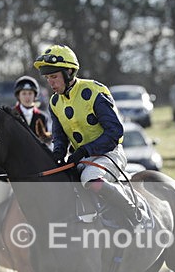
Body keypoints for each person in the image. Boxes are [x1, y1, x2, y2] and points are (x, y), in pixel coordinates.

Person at [33, 44, 141, 227]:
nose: (50, 83)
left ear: (69, 73)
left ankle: (133, 212)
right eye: (47, 78)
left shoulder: (94, 92)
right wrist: (58, 154)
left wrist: (84, 151)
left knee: (89, 179)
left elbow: (115, 132)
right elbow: (60, 137)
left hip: (110, 154)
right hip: (82, 158)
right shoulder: (54, 102)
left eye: (54, 77)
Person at [0, 75, 52, 264]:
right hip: (9, 174)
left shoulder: (43, 117)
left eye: (30, 93)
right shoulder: (9, 116)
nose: (27, 97)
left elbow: (46, 145)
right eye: (24, 93)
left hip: (34, 176)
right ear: (18, 96)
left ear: (35, 96)